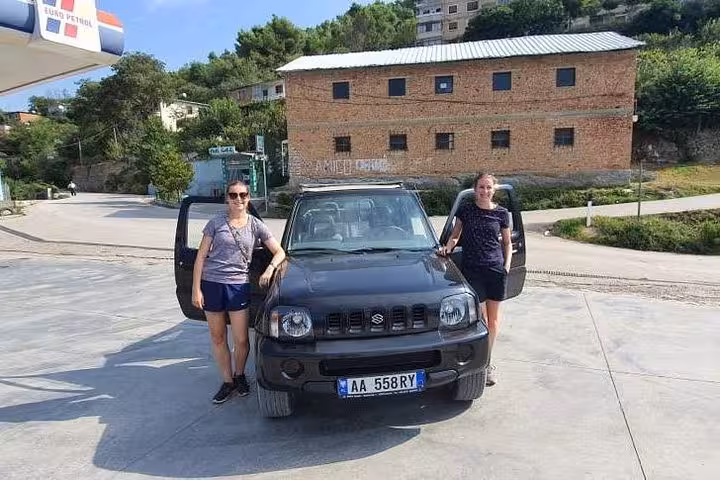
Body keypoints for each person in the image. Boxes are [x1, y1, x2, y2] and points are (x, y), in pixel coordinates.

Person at [191, 180, 286, 404]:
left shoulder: (255, 225)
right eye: (233, 195)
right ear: (227, 198)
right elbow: (201, 257)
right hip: (212, 284)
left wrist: (270, 269)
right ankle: (227, 382)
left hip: (238, 286)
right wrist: (196, 289)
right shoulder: (215, 223)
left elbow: (280, 251)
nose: (238, 199)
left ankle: (240, 374)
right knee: (217, 337)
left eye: (242, 195)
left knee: (242, 339)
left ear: (248, 198)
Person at [438, 173, 512, 386]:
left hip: (495, 270)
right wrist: (448, 248)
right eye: (481, 187)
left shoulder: (502, 214)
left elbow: (507, 243)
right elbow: (455, 235)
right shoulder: (466, 210)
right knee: (482, 320)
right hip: (473, 271)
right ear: (475, 188)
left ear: (494, 189)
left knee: (494, 320)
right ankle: (481, 362)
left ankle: (488, 363)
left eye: (489, 187)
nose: (485, 191)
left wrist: (506, 266)